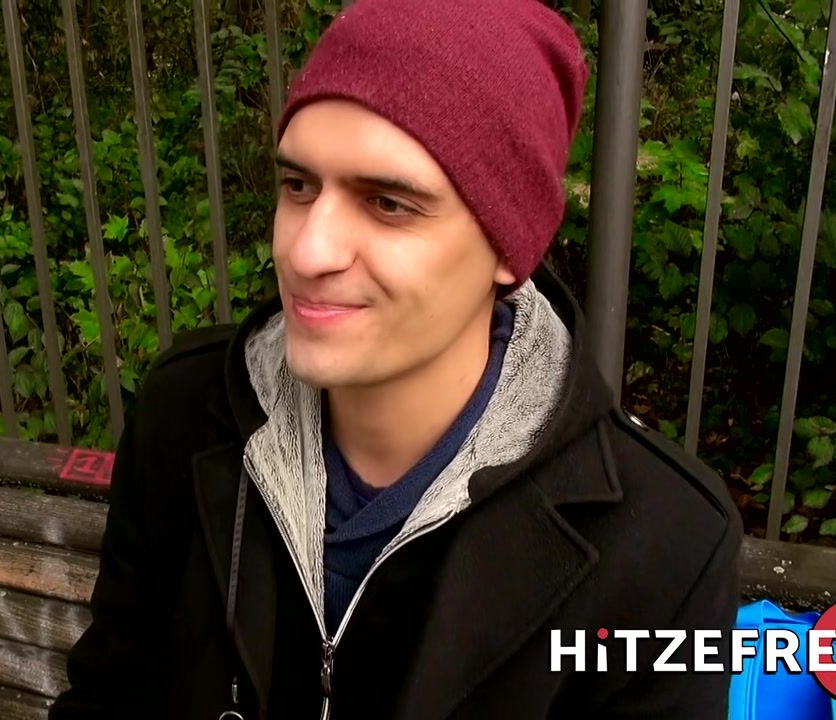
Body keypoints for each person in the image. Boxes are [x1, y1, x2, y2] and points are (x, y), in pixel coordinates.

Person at [50, 0, 742, 717]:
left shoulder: (662, 546)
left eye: (387, 204)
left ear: (509, 250)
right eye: (298, 186)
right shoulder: (186, 413)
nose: (307, 252)